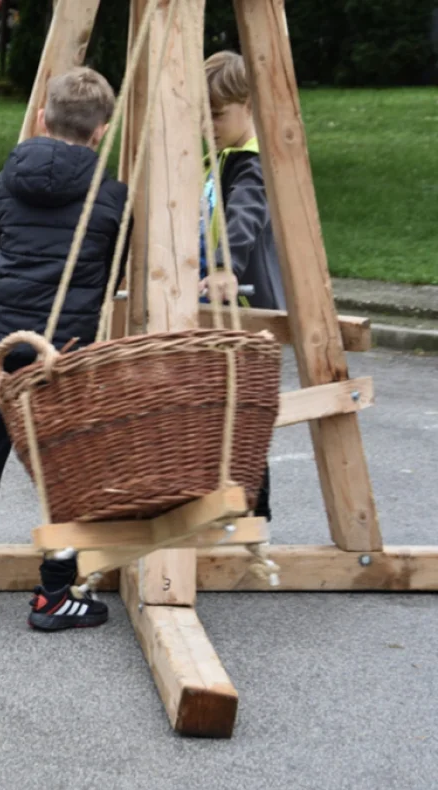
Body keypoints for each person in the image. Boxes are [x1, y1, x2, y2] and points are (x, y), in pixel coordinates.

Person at [0, 68, 129, 630]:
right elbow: (115, 268)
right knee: (66, 468)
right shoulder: (111, 196)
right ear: (101, 131)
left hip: (1, 343)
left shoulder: (5, 181)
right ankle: (54, 594)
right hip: (63, 350)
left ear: (43, 118)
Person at [198, 49, 283, 520]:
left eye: (217, 114)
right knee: (218, 413)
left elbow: (244, 216)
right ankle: (226, 510)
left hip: (246, 306)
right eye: (202, 115)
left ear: (249, 105)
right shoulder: (217, 158)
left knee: (244, 415)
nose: (207, 125)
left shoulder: (252, 163)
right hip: (216, 305)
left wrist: (225, 266)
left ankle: (255, 515)